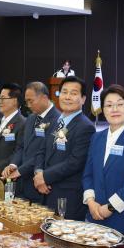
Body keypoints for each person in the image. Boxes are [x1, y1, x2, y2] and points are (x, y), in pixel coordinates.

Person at [82, 84, 124, 248]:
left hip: (122, 221)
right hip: (95, 216)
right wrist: (90, 202)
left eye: (120, 104)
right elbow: (88, 173)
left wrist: (109, 208)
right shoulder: (97, 138)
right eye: (109, 105)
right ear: (102, 110)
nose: (114, 109)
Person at [34, 76, 94, 220]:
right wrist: (39, 172)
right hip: (45, 190)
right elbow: (41, 150)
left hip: (67, 196)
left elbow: (75, 162)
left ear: (83, 99)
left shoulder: (86, 127)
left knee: (65, 240)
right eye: (64, 92)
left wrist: (45, 177)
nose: (67, 97)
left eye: (73, 93)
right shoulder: (55, 121)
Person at [3, 82, 60, 203]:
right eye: (26, 101)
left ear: (44, 97)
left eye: (31, 101)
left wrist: (21, 170)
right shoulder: (31, 118)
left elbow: (44, 153)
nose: (28, 105)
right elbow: (21, 146)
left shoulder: (57, 120)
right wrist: (13, 165)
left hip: (39, 182)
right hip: (21, 182)